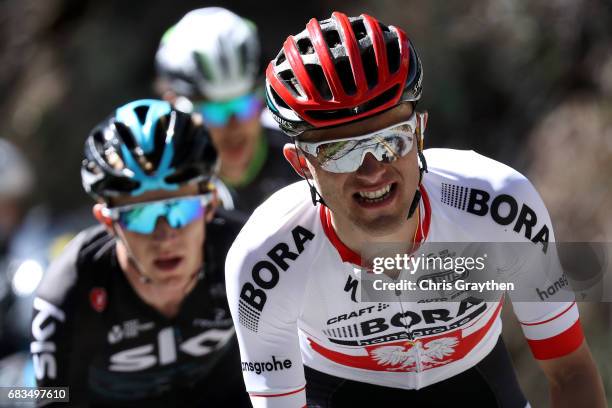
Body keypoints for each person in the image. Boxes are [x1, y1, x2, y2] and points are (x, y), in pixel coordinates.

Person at [225, 12, 606, 408]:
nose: (372, 171)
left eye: (392, 141)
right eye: (340, 153)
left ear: (420, 132)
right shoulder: (263, 261)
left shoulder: (500, 207)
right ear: (302, 164)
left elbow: (569, 369)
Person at [31, 100, 250, 407]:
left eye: (179, 210)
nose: (164, 235)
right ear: (108, 222)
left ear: (211, 205)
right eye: (139, 216)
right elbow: (49, 398)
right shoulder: (72, 285)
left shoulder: (245, 252)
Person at [155, 7, 299, 214]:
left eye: (244, 106)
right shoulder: (166, 188)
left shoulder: (305, 158)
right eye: (214, 111)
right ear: (177, 110)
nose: (234, 126)